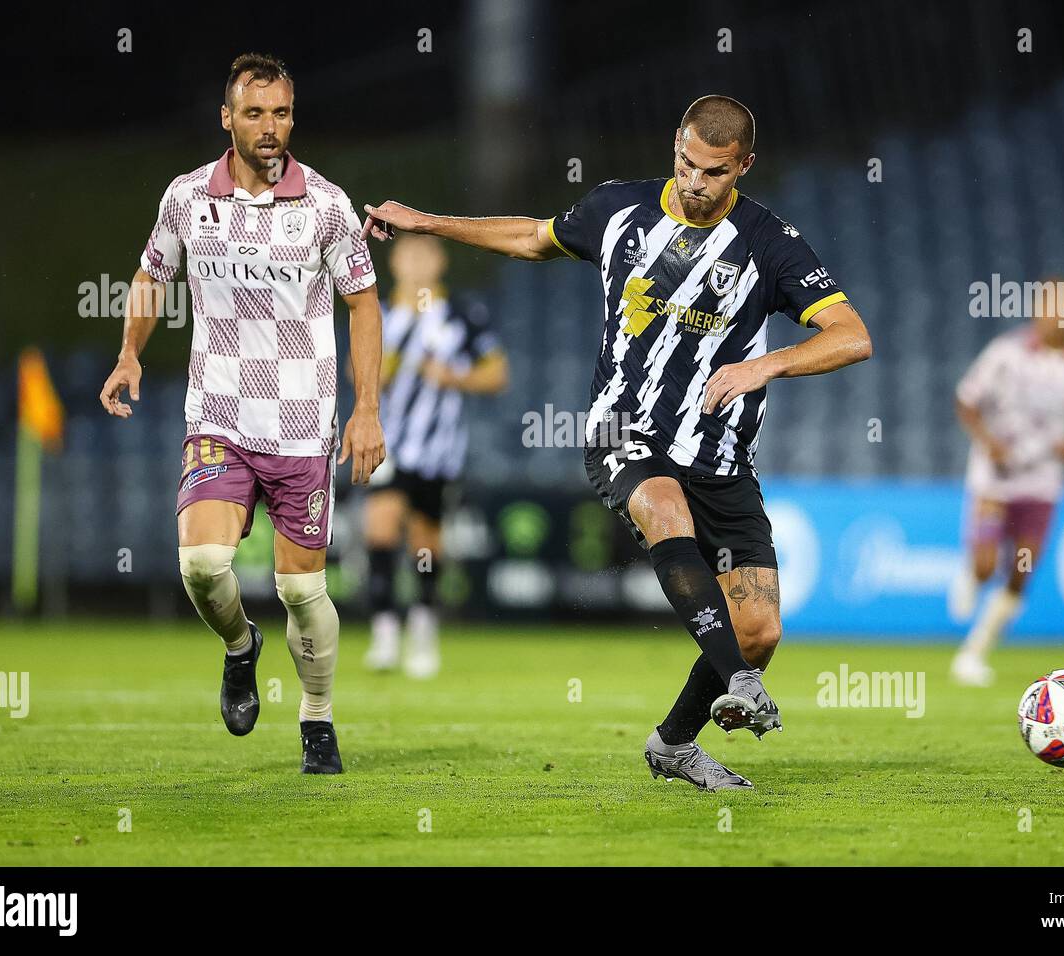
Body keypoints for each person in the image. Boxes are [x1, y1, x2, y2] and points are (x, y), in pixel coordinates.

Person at [360, 95, 872, 790]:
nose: (695, 182)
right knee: (664, 509)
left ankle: (673, 745)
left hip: (721, 458)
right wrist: (428, 222)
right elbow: (531, 238)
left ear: (744, 166)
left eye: (714, 172)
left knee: (759, 628)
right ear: (674, 146)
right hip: (620, 428)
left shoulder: (769, 244)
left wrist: (764, 363)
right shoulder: (619, 209)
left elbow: (853, 336)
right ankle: (742, 684)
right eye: (686, 163)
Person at [98, 53, 386, 773]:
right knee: (201, 565)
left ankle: (316, 718)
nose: (269, 127)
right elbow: (150, 273)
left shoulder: (326, 205)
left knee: (301, 589)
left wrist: (367, 411)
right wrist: (130, 352)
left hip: (301, 424)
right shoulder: (186, 197)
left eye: (281, 113)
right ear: (226, 118)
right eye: (254, 113)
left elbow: (363, 303)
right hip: (218, 415)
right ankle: (239, 645)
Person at [359, 234, 508, 678]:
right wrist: (376, 370)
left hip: (438, 448)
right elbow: (354, 373)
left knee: (425, 540)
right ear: (395, 262)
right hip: (386, 443)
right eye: (409, 255)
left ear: (439, 261)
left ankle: (422, 628)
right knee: (380, 528)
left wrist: (453, 376)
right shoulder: (378, 313)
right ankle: (385, 631)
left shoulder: (462, 314)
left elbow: (497, 374)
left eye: (426, 254)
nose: (418, 263)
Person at [948, 279, 1064, 686]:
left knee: (1022, 570)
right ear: (1038, 311)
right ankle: (974, 572)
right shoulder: (1007, 353)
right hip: (995, 477)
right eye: (1049, 307)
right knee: (987, 565)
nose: (1056, 317)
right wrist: (989, 443)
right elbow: (967, 400)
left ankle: (974, 652)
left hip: (1042, 480)